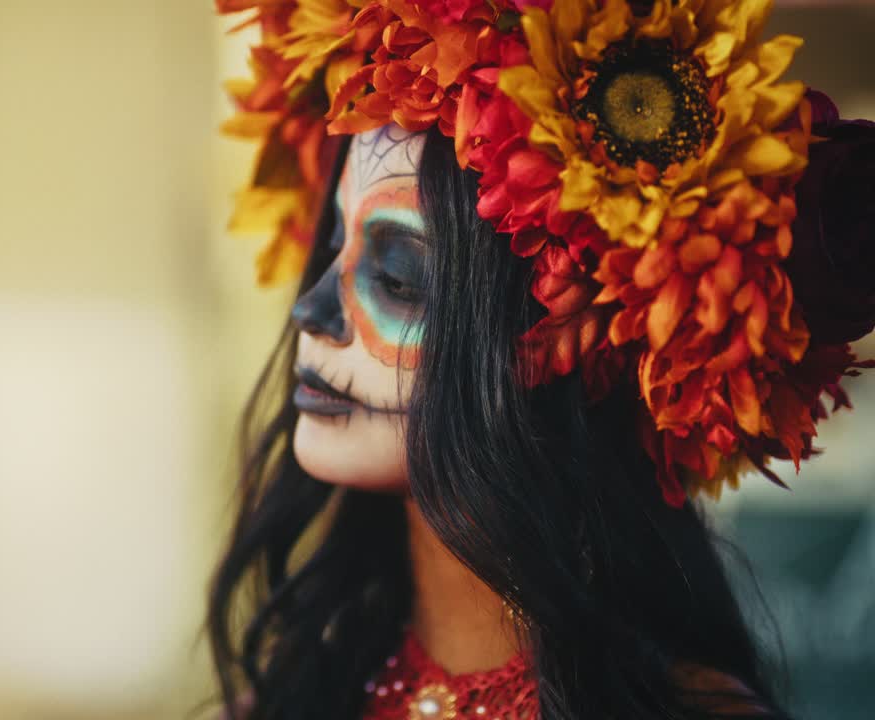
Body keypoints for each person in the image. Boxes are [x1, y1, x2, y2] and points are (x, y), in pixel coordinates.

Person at [206, 1, 875, 719]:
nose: (309, 311)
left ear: (559, 331)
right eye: (333, 246)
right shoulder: (289, 700)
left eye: (398, 278)